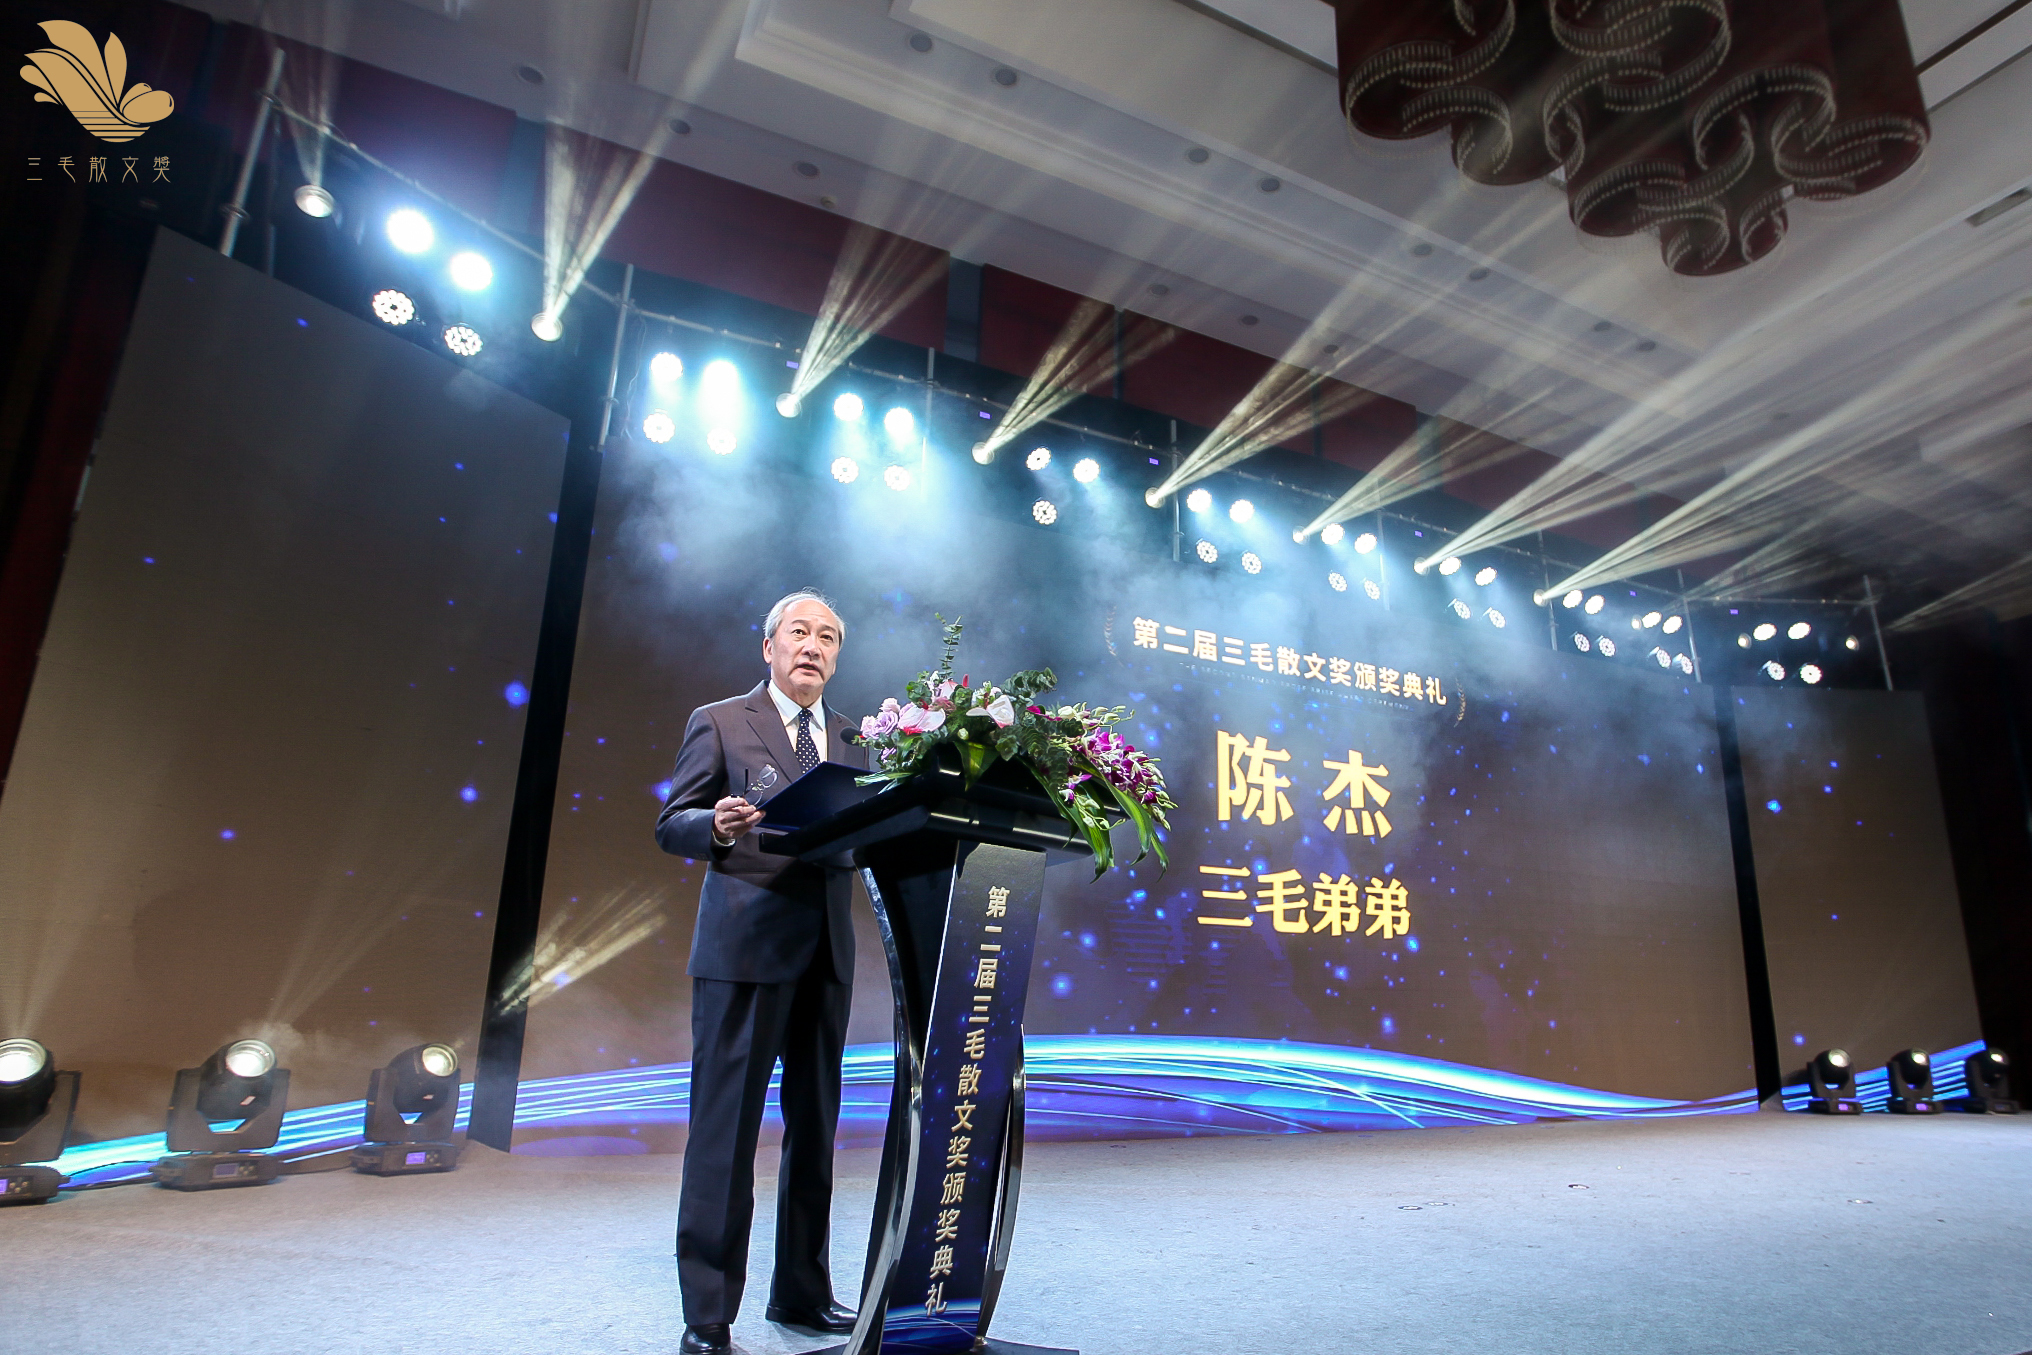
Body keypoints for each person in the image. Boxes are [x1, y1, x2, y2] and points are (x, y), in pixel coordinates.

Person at [655, 590, 867, 1355]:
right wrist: (712, 825)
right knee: (725, 1133)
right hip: (742, 950)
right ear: (770, 646)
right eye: (799, 632)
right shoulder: (719, 720)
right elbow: (671, 821)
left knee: (815, 1132)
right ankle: (708, 1313)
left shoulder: (855, 738)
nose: (813, 645)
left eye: (828, 636)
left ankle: (802, 1291)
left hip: (825, 954)